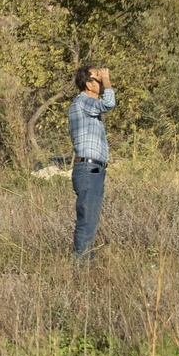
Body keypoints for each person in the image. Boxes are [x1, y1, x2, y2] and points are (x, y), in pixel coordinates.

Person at [69, 65, 118, 258]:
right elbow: (109, 103)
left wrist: (103, 78)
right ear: (89, 84)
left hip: (93, 169)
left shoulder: (88, 106)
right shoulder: (83, 101)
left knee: (90, 219)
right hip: (89, 169)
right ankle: (80, 266)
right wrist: (106, 78)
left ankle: (84, 263)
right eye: (98, 80)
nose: (104, 83)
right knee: (87, 220)